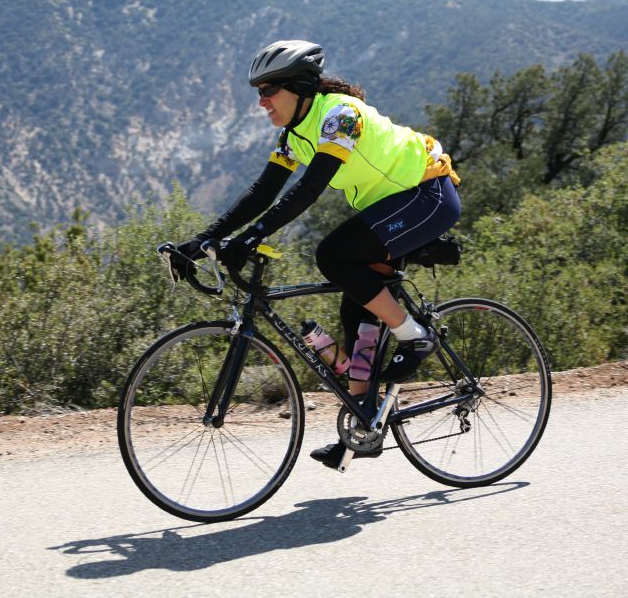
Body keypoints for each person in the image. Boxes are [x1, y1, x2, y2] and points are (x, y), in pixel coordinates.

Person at [176, 40, 461, 469]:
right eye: (259, 91)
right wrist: (203, 239)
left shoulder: (339, 115)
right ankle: (364, 427)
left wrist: (252, 237)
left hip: (427, 193)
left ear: (298, 88)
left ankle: (415, 336)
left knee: (333, 255)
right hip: (392, 205)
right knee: (357, 310)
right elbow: (263, 191)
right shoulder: (296, 133)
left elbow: (309, 190)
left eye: (268, 90)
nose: (261, 101)